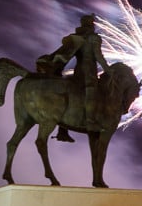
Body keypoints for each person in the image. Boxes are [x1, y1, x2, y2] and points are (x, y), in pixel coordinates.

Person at [36, 14, 111, 142]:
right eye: (93, 23)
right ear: (90, 24)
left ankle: (62, 130)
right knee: (93, 92)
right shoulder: (93, 38)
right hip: (89, 73)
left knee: (70, 94)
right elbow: (98, 56)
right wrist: (108, 70)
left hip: (77, 72)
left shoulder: (77, 37)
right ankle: (91, 121)